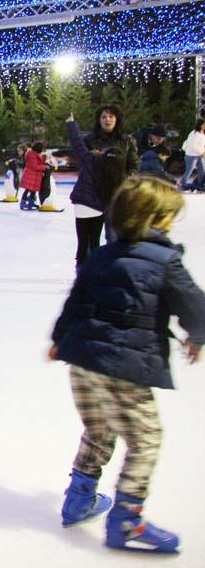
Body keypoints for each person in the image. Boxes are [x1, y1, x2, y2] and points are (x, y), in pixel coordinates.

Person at [49, 176, 205, 554]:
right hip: (124, 368)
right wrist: (197, 337)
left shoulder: (101, 255)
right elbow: (196, 307)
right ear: (156, 220)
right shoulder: (166, 261)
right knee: (146, 439)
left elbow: (74, 300)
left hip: (82, 361)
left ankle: (79, 499)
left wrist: (59, 339)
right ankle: (127, 521)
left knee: (99, 429)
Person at [67, 108, 133, 267]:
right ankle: (95, 270)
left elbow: (77, 144)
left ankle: (93, 270)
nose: (107, 119)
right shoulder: (93, 146)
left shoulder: (124, 142)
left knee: (95, 240)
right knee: (92, 242)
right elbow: (79, 145)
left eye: (111, 116)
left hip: (99, 202)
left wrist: (71, 125)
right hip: (98, 203)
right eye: (104, 117)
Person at [20, 142, 47, 210]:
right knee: (28, 189)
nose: (43, 151)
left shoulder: (36, 154)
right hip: (30, 175)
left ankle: (31, 202)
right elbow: (35, 166)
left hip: (34, 176)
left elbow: (40, 163)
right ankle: (23, 202)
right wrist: (44, 167)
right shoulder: (32, 155)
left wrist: (44, 159)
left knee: (33, 190)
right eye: (42, 149)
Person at [179, 119, 204, 191]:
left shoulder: (201, 133)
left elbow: (201, 144)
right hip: (191, 155)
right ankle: (182, 185)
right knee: (189, 170)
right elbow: (192, 145)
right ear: (200, 125)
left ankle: (200, 186)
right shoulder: (194, 133)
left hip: (199, 155)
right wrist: (202, 152)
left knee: (202, 171)